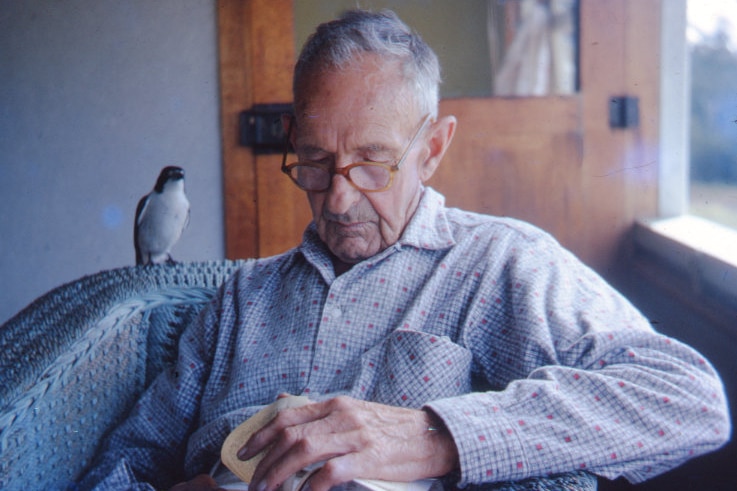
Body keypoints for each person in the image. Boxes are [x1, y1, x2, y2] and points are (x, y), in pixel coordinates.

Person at [80, 9, 729, 491]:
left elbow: (685, 397)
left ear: (432, 149)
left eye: (371, 163)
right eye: (313, 160)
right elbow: (120, 467)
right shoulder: (240, 300)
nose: (335, 199)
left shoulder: (497, 263)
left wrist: (432, 435)